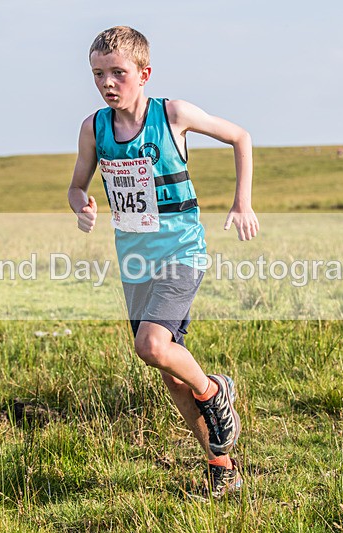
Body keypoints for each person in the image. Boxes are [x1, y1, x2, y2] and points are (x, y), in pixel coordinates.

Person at [67, 26, 259, 498]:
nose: (107, 83)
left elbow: (240, 136)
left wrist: (242, 202)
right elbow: (76, 185)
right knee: (173, 376)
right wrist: (82, 206)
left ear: (144, 73)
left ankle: (216, 390)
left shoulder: (172, 115)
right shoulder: (94, 129)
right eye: (98, 74)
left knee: (151, 346)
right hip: (135, 264)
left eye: (118, 73)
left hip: (181, 252)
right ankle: (223, 468)